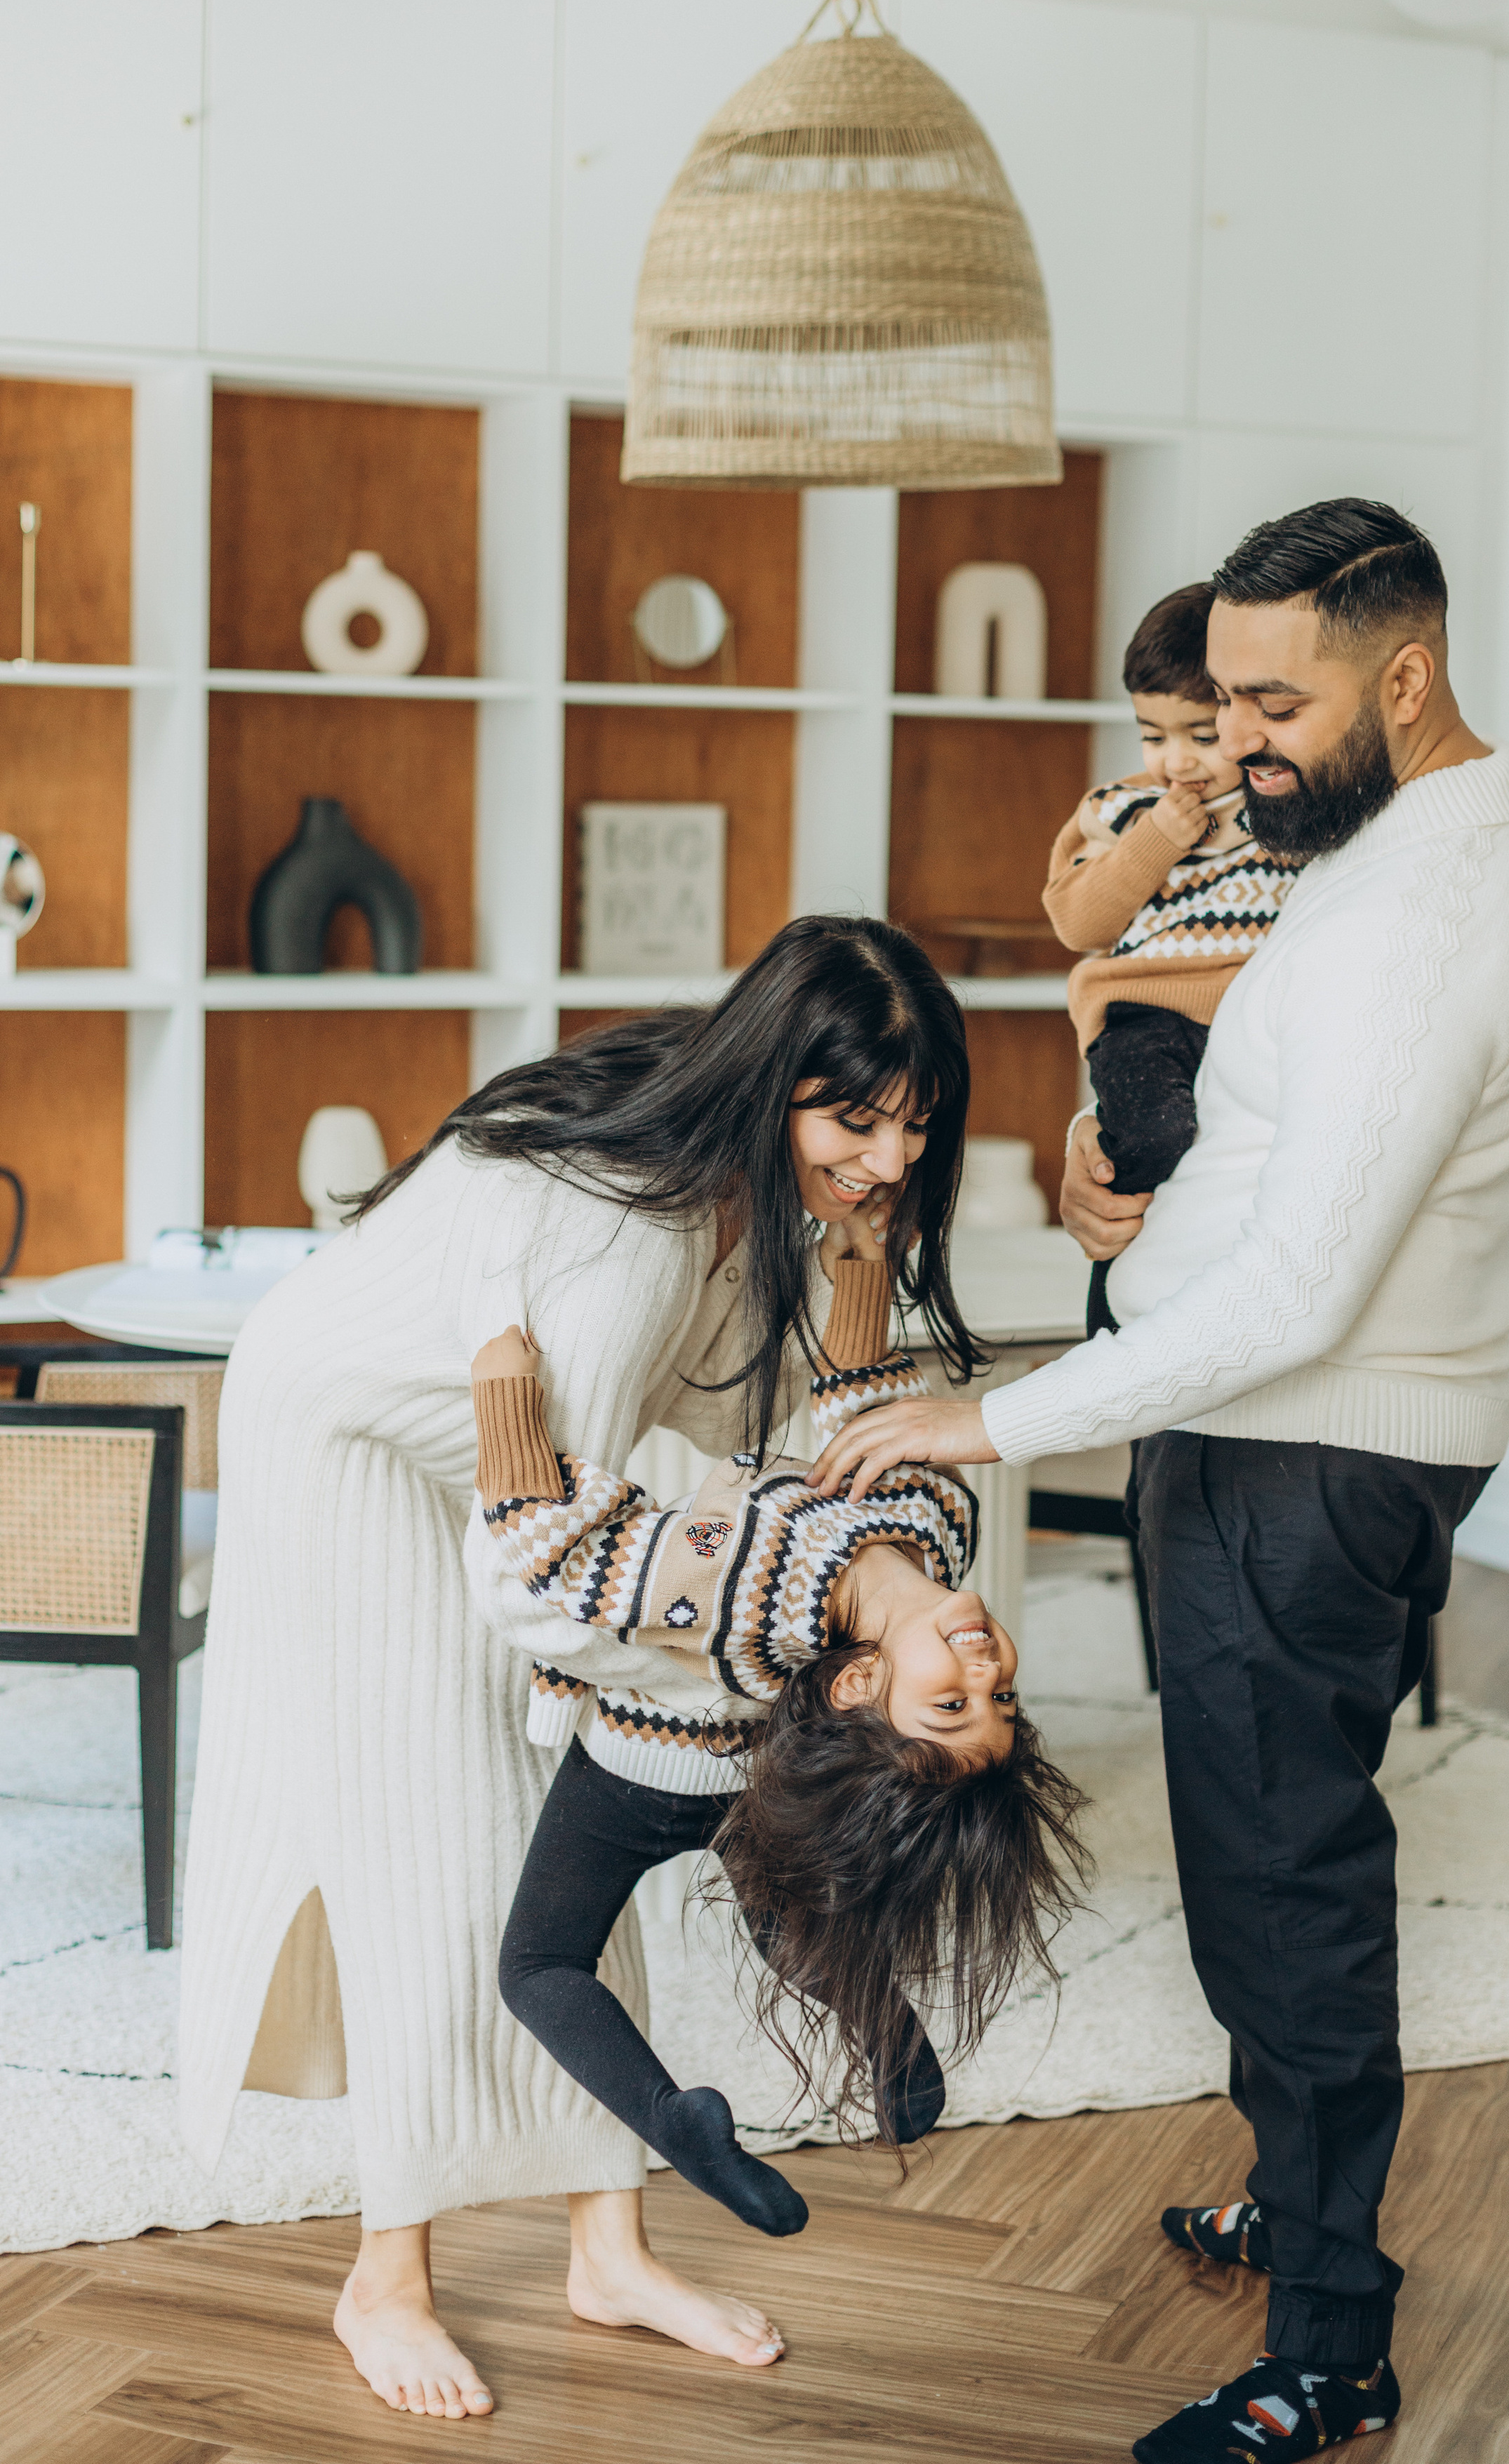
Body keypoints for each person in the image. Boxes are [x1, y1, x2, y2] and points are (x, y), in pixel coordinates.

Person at [810, 500, 1509, 2460]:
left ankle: (1330, 2346)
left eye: (1272, 703)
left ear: (1405, 675)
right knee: (1254, 1854)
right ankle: (1290, 2204)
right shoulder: (1383, 839)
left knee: (1283, 1885)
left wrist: (996, 1415)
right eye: (1218, 698)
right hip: (1262, 1431)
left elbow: (1309, 1290)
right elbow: (1276, 1130)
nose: (1234, 742)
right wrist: (1118, 1185)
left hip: (1304, 1447)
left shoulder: (1426, 912)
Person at [177, 916, 985, 2423]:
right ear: (775, 1083)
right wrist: (718, 1642)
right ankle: (386, 2277)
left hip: (514, 1473)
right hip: (351, 1443)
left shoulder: (764, 1180)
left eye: (916, 1127)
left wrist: (859, 1320)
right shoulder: (625, 1240)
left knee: (564, 1823)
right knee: (437, 1853)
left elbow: (769, 1430)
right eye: (856, 1122)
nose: (887, 1161)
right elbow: (557, 1549)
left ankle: (608, 2249)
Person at [472, 1280, 1086, 2242]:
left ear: (856, 1684)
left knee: (539, 1965)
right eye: (998, 1700)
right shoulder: (938, 1528)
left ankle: (676, 2124)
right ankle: (890, 2036)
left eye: (951, 1704)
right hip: (759, 1779)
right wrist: (863, 1270)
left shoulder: (737, 1580)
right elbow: (870, 1417)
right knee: (785, 1921)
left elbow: (565, 1560)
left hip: (638, 1773)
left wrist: (503, 1394)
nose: (987, 1673)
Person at [1041, 581, 1304, 1335]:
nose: (1175, 761)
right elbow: (1076, 921)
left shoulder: (1282, 806)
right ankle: (1111, 1311)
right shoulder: (1121, 809)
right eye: (1152, 736)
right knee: (1152, 1138)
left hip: (1245, 1022)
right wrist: (1155, 841)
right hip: (1144, 1014)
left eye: (1199, 735)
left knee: (1231, 1164)